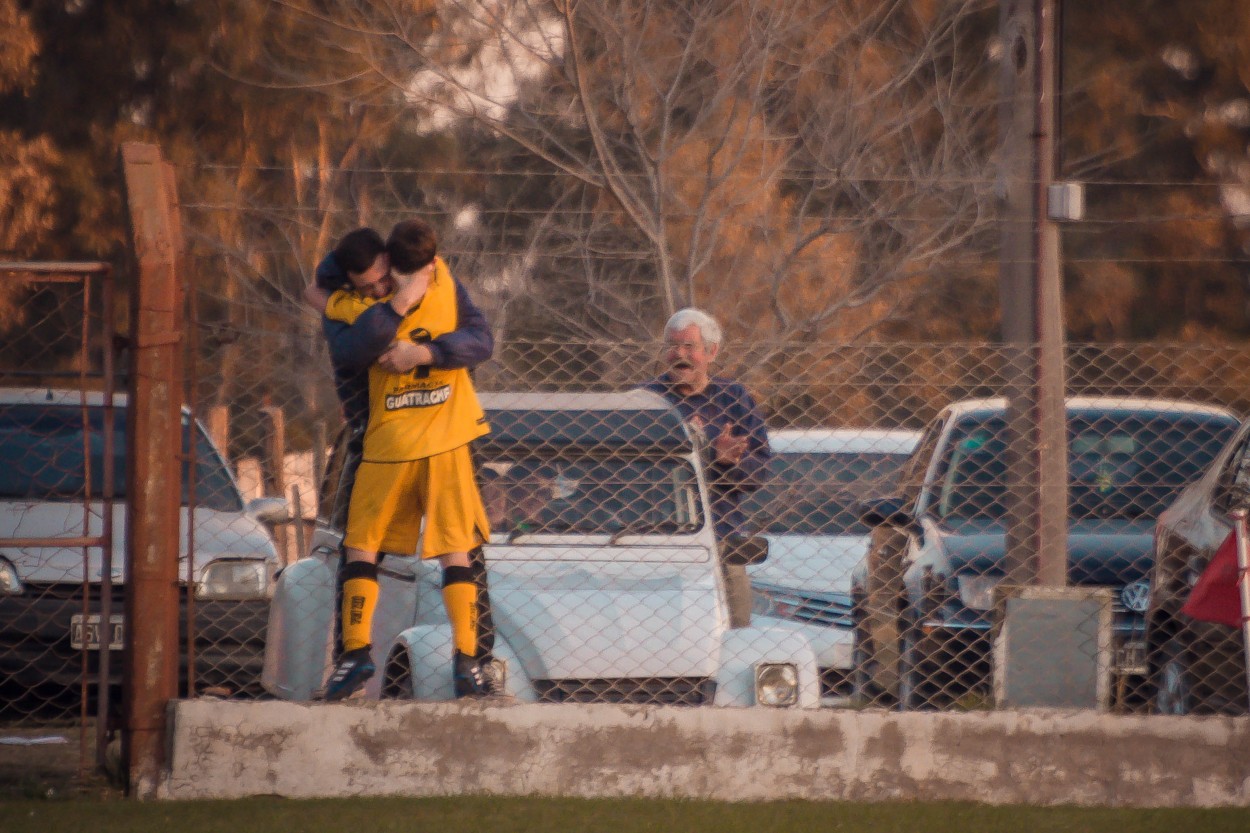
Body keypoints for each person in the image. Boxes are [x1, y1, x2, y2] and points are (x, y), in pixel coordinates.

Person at [315, 219, 498, 701]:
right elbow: (350, 349)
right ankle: (355, 655)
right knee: (362, 546)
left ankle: (468, 661)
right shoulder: (355, 305)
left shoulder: (443, 284)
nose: (379, 286)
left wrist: (426, 353)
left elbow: (481, 341)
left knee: (457, 548)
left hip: (446, 440)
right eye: (370, 281)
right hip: (388, 442)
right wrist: (396, 303)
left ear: (398, 263)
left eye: (385, 277)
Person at [641, 308, 771, 539]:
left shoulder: (733, 397)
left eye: (689, 346)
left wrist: (726, 462)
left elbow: (759, 472)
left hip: (720, 534)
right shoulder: (645, 399)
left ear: (711, 352)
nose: (679, 354)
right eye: (672, 346)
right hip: (652, 533)